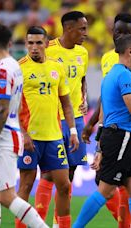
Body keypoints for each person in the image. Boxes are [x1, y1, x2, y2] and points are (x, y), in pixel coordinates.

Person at [72, 34, 131, 228]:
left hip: (123, 137)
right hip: (122, 137)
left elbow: (104, 115)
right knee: (106, 191)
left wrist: (100, 146)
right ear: (130, 51)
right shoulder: (125, 75)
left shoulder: (111, 75)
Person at [0, 24, 48, 228]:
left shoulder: (2, 70)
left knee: (6, 196)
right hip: (8, 135)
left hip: (3, 140)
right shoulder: (14, 66)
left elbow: (3, 109)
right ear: (10, 44)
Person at [15, 26, 79, 228]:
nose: (34, 47)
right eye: (30, 43)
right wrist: (23, 133)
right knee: (25, 185)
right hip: (29, 138)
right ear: (26, 44)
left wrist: (73, 131)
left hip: (54, 137)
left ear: (46, 43)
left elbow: (66, 104)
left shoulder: (56, 67)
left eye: (38, 43)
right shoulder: (19, 69)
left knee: (64, 184)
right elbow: (12, 107)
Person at [34, 11, 89, 227]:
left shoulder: (83, 53)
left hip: (76, 119)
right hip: (54, 119)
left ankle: (59, 223)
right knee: (49, 174)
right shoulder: (49, 50)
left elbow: (82, 80)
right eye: (82, 28)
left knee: (70, 175)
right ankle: (36, 222)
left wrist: (85, 98)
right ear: (68, 28)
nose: (86, 33)